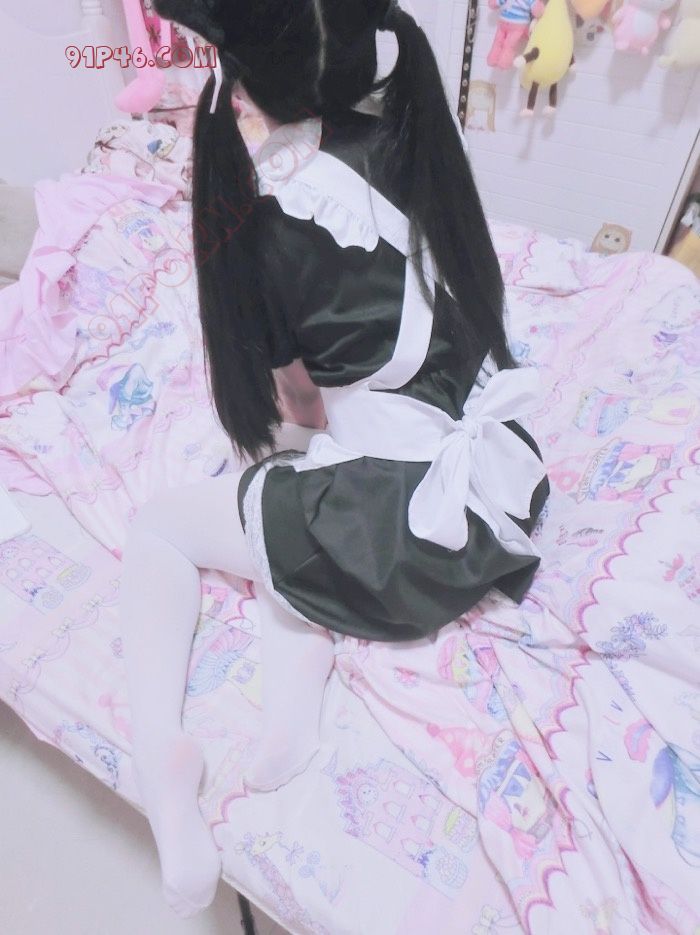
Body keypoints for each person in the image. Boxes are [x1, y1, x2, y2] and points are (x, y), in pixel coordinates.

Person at [118, 0, 550, 918]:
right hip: (495, 485)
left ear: (252, 95)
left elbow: (302, 406)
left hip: (409, 528)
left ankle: (157, 747)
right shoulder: (409, 139)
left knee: (166, 526)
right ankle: (289, 726)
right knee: (292, 517)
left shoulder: (269, 214)